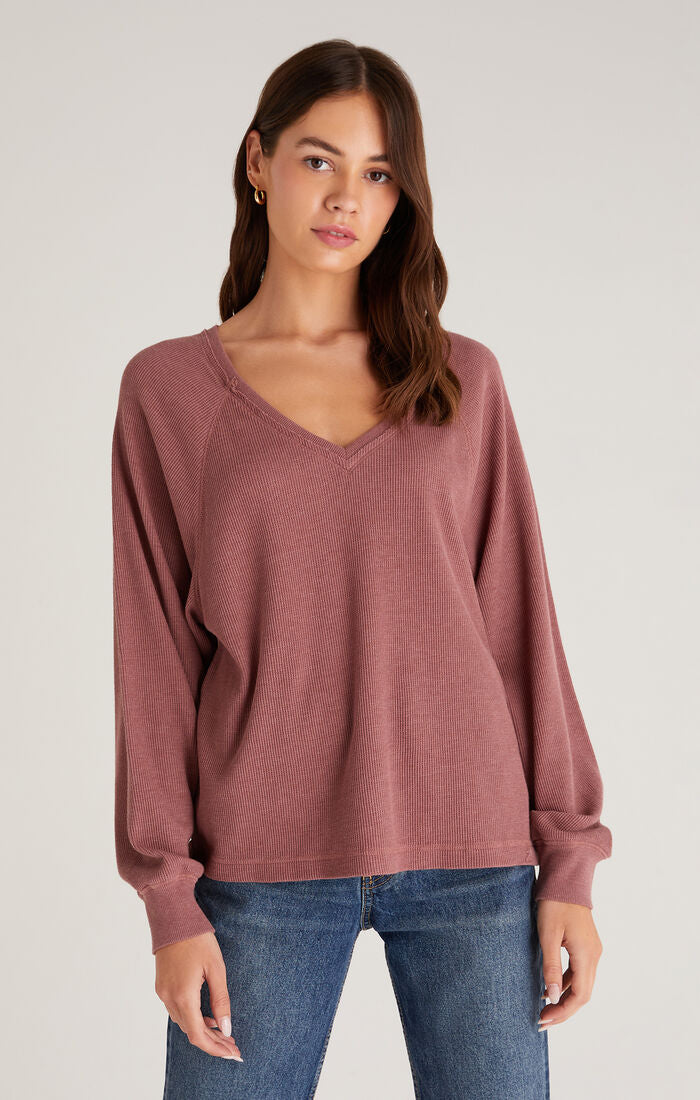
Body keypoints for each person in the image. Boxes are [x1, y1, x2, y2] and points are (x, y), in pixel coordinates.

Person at [111, 38, 613, 1100]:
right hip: (259, 868)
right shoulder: (169, 391)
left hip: (475, 858)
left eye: (379, 173)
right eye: (318, 160)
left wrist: (568, 860)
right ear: (258, 162)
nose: (347, 197)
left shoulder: (460, 379)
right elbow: (153, 659)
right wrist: (169, 898)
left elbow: (519, 625)